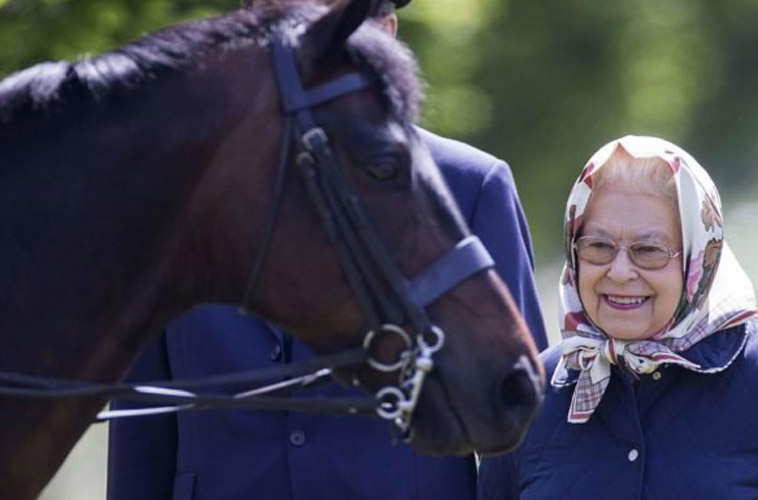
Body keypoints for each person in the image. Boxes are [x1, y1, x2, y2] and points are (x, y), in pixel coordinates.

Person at [106, 1, 547, 499]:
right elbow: (143, 425)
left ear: (387, 33)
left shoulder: (472, 186)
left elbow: (518, 425)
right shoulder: (175, 193)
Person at [478, 136, 758, 499]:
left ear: (699, 260)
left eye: (649, 250)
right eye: (598, 246)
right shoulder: (530, 397)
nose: (619, 272)